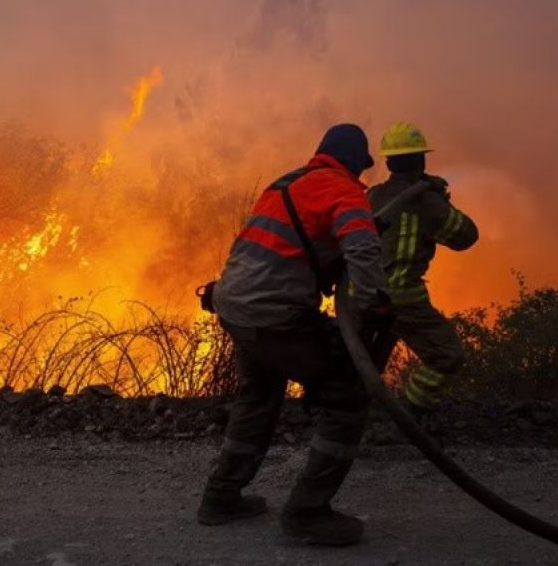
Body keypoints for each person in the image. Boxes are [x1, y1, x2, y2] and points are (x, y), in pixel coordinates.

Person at [197, 123, 390, 546]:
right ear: (356, 161)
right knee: (346, 393)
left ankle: (221, 497)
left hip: (233, 303)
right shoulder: (343, 189)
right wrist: (374, 302)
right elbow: (362, 246)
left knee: (259, 395)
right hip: (273, 314)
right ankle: (307, 512)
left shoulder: (286, 182)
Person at [368, 122, 479, 419]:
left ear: (388, 162)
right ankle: (412, 416)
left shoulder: (371, 196)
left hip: (360, 296)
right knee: (446, 356)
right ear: (422, 159)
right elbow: (466, 237)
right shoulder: (427, 201)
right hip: (401, 298)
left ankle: (356, 421)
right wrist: (440, 201)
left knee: (364, 364)